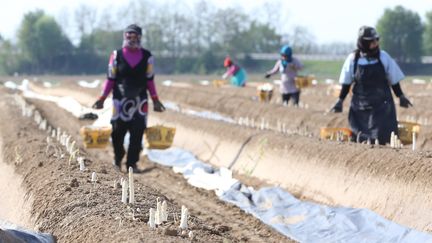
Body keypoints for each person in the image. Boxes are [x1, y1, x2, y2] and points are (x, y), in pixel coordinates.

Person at [93, 24, 165, 172]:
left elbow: (150, 80)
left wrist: (155, 100)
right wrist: (102, 98)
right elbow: (110, 78)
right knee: (117, 132)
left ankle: (132, 164)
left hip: (140, 102)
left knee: (137, 132)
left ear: (140, 37)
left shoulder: (147, 57)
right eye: (129, 36)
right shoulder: (116, 55)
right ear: (125, 37)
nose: (132, 39)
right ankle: (118, 158)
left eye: (135, 36)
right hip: (120, 102)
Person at [330, 26, 413, 144]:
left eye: (376, 40)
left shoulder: (383, 57)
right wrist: (340, 100)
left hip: (382, 107)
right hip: (360, 108)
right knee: (360, 137)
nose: (375, 43)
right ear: (363, 43)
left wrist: (401, 96)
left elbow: (394, 80)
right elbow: (346, 83)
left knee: (382, 138)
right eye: (371, 41)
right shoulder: (353, 60)